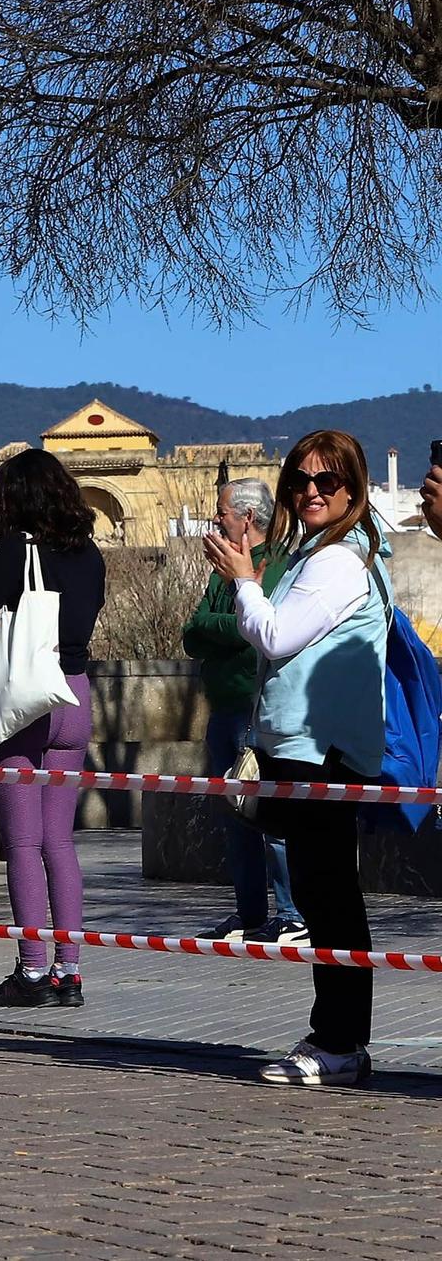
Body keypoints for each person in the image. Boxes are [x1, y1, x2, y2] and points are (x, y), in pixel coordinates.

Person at [205, 429, 391, 1088]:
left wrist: (245, 580)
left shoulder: (340, 559)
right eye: (299, 482)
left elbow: (276, 635)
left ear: (354, 487)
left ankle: (340, 1043)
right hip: (313, 749)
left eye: (327, 481)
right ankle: (337, 1039)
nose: (311, 492)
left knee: (330, 899)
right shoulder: (324, 551)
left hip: (325, 754)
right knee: (323, 894)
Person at [0, 449, 106, 1009]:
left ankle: (33, 970)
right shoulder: (89, 555)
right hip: (74, 693)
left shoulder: (18, 550)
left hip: (23, 701)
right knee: (60, 842)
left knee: (21, 843)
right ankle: (70, 970)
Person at [183, 479, 305, 945]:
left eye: (221, 512)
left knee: (271, 817)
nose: (216, 519)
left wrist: (228, 623)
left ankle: (292, 913)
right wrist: (228, 621)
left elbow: (256, 628)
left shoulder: (277, 568)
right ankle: (249, 911)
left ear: (246, 517)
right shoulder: (224, 571)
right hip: (223, 710)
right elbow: (193, 632)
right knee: (235, 817)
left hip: (257, 712)